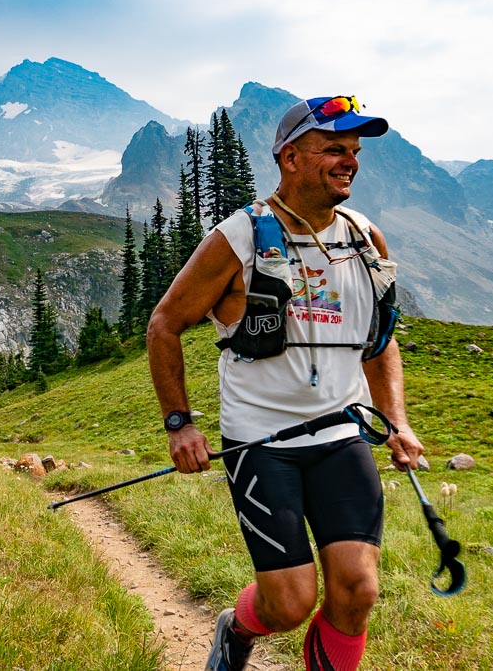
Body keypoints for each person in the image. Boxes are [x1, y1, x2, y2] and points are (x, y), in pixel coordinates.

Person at [146, 96, 425, 671]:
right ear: (290, 157)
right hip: (261, 442)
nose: (349, 161)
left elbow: (379, 341)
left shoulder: (366, 238)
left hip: (342, 436)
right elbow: (165, 323)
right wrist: (180, 423)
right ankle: (237, 627)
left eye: (354, 151)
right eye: (333, 150)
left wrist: (396, 420)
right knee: (290, 602)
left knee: (358, 589)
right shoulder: (238, 237)